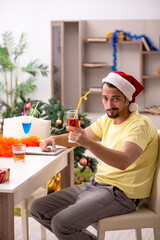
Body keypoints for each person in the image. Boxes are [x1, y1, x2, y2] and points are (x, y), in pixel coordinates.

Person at [30, 71, 158, 240]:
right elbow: (77, 138)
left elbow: (124, 161)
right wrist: (53, 138)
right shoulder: (107, 120)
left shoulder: (139, 125)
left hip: (121, 195)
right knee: (38, 208)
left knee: (62, 224)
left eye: (116, 98)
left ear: (127, 99)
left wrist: (89, 144)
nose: (109, 104)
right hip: (96, 185)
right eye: (105, 98)